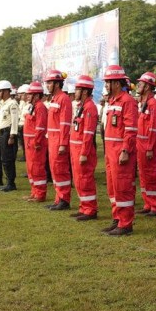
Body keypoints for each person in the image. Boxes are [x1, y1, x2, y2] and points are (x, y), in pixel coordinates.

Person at [99, 65, 139, 234]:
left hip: (121, 151)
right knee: (113, 187)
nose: (106, 85)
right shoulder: (112, 101)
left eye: (108, 82)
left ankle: (126, 223)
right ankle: (117, 218)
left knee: (123, 187)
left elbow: (130, 129)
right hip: (110, 151)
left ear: (117, 83)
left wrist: (125, 150)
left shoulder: (127, 101)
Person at [70, 75, 99, 220]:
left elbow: (88, 133)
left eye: (77, 89)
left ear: (85, 92)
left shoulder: (90, 107)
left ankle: (90, 209)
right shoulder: (81, 106)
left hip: (83, 150)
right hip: (76, 149)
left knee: (85, 179)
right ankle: (83, 207)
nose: (75, 92)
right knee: (78, 180)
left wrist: (84, 153)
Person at [136, 72, 156, 216]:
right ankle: (148, 203)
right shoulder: (144, 103)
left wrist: (150, 147)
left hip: (149, 145)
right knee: (143, 175)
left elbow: (154, 128)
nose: (138, 85)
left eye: (141, 83)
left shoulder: (154, 104)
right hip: (141, 143)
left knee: (151, 175)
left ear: (147, 86)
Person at [45, 70, 73, 210]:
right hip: (52, 140)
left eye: (49, 83)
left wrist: (63, 143)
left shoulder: (63, 99)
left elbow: (65, 123)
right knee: (55, 170)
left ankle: (64, 199)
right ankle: (58, 198)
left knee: (61, 170)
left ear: (57, 84)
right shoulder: (54, 99)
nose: (47, 85)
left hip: (59, 141)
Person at [23, 81, 49, 202]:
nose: (27, 96)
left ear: (37, 96)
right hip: (29, 143)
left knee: (37, 168)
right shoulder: (32, 106)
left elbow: (40, 127)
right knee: (31, 168)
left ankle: (40, 194)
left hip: (35, 143)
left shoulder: (40, 107)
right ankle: (34, 191)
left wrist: (37, 142)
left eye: (30, 94)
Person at [0, 81, 19, 192]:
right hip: (2, 133)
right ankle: (8, 181)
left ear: (5, 91)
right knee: (4, 158)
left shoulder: (12, 104)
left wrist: (12, 135)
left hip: (8, 133)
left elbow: (14, 121)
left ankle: (11, 183)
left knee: (8, 159)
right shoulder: (3, 104)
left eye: (0, 91)